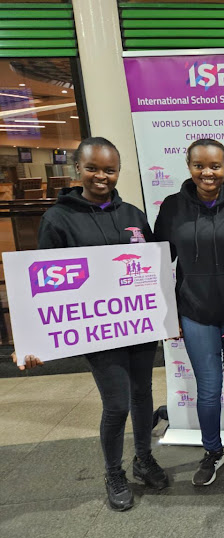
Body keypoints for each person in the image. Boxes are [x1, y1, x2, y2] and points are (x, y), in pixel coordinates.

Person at [14, 137, 169, 511]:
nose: (101, 176)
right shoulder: (58, 218)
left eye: (109, 169)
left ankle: (143, 459)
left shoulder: (133, 214)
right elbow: (44, 282)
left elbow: (151, 269)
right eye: (93, 168)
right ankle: (113, 472)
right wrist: (35, 341)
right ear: (77, 170)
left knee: (143, 394)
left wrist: (167, 318)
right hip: (98, 330)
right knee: (116, 404)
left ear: (118, 171)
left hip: (138, 325)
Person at [154, 138, 224, 486]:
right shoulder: (172, 207)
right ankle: (212, 451)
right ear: (189, 167)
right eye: (199, 165)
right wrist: (167, 314)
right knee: (209, 388)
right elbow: (156, 261)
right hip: (195, 312)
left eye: (215, 166)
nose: (207, 172)